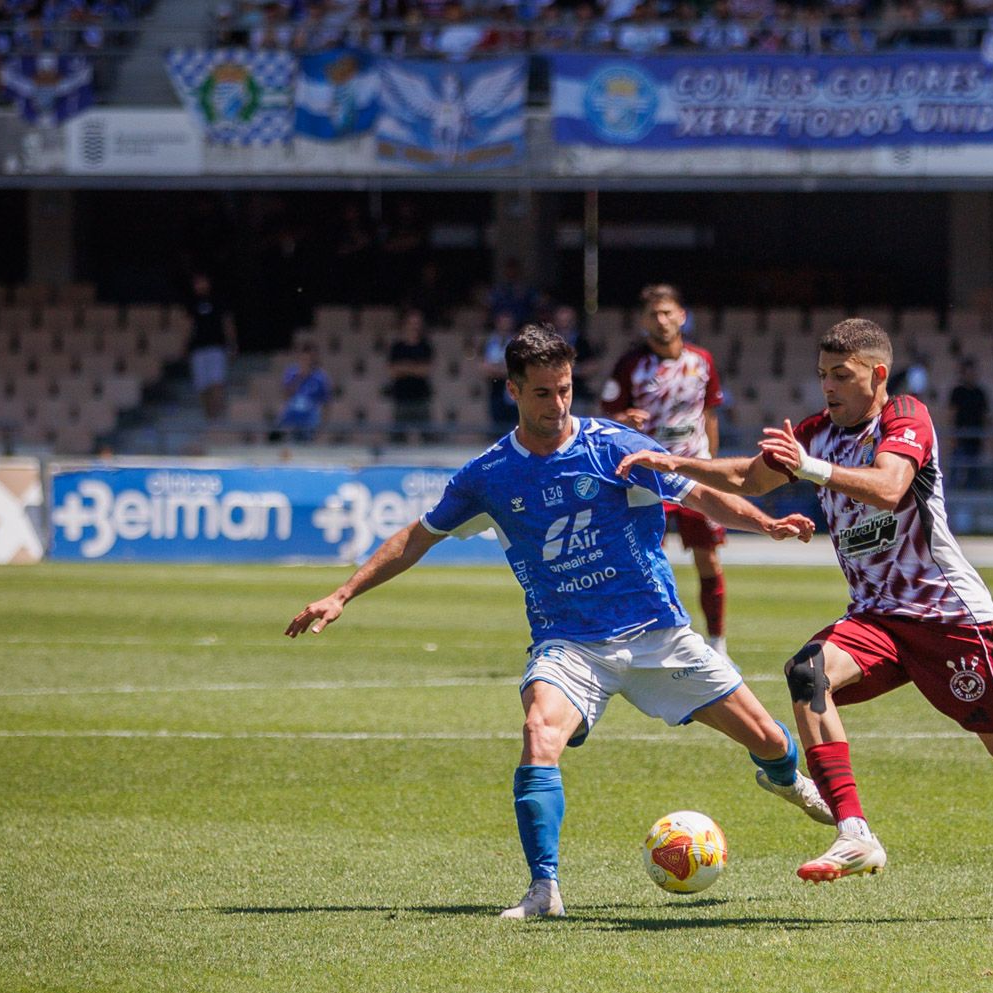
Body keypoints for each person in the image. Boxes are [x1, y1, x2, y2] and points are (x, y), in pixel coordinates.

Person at [614, 318, 993, 919]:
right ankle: (855, 831)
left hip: (947, 619)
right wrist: (670, 463)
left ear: (877, 375)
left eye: (841, 375)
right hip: (876, 619)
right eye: (822, 375)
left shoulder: (906, 416)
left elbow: (888, 486)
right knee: (806, 673)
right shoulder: (815, 434)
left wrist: (810, 469)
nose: (828, 387)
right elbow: (751, 476)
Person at [284, 325, 833, 921]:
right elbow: (418, 536)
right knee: (539, 735)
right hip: (568, 643)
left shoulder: (612, 446)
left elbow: (697, 495)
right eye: (543, 393)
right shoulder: (488, 475)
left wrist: (767, 523)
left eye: (566, 390)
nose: (558, 404)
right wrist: (343, 594)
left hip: (656, 634)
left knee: (772, 741)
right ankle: (544, 889)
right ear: (515, 391)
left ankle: (784, 779)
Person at [601, 284, 732, 654]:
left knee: (707, 558)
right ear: (644, 321)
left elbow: (709, 415)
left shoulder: (702, 360)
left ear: (682, 316)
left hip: (693, 472)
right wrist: (624, 418)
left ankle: (718, 644)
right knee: (649, 559)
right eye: (654, 314)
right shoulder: (630, 365)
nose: (662, 321)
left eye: (668, 312)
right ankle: (655, 639)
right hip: (648, 476)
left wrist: (714, 469)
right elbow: (610, 417)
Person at [186, 272, 237, 420]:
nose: (200, 285)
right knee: (202, 386)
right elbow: (189, 326)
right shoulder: (192, 303)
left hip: (216, 348)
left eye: (202, 281)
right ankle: (208, 417)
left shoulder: (218, 300)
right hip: (198, 350)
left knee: (216, 383)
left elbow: (227, 323)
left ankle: (218, 418)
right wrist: (185, 345)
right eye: (197, 282)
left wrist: (232, 344)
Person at [386, 309, 435, 442]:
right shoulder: (397, 347)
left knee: (428, 437)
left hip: (421, 398)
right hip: (401, 398)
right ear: (405, 324)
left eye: (417, 323)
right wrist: (415, 368)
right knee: (397, 438)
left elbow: (425, 371)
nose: (414, 326)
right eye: (411, 323)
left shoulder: (425, 346)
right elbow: (392, 371)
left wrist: (404, 367)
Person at [270, 342, 331, 443]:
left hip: (309, 420)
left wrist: (321, 427)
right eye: (303, 359)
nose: (306, 362)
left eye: (309, 359)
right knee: (274, 436)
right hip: (290, 417)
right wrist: (299, 378)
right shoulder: (291, 373)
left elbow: (326, 404)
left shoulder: (321, 377)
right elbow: (285, 395)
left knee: (302, 443)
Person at [946, 357, 989, 490]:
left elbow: (985, 415)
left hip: (976, 435)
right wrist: (952, 434)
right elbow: (952, 413)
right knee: (956, 464)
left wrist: (986, 435)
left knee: (974, 466)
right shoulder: (957, 392)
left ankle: (973, 490)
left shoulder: (980, 392)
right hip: (960, 434)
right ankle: (952, 491)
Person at [481, 310, 518, 436]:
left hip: (512, 389)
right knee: (496, 423)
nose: (505, 326)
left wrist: (497, 369)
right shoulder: (489, 341)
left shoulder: (516, 343)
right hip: (494, 388)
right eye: (502, 323)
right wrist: (502, 369)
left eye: (507, 323)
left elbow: (515, 367)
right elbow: (485, 367)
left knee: (513, 425)